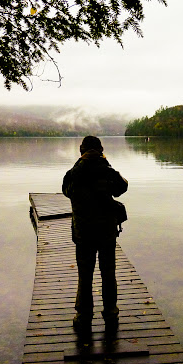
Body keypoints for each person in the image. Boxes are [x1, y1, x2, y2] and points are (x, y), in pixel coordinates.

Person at [62, 136, 128, 332]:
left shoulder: (72, 174)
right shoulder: (107, 171)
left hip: (83, 233)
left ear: (81, 150)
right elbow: (122, 187)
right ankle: (111, 314)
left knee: (85, 275)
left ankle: (83, 317)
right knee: (108, 273)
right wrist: (105, 163)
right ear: (101, 150)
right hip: (107, 232)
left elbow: (66, 191)